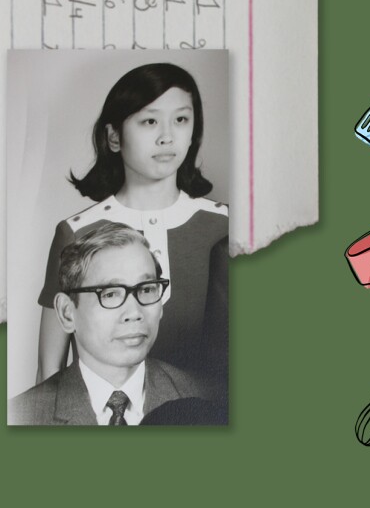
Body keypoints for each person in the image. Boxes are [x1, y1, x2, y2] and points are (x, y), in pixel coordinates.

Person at [37, 63, 228, 390]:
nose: (167, 136)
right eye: (150, 121)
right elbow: (49, 372)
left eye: (181, 119)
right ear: (114, 136)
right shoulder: (76, 231)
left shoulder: (225, 226)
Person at [10, 223, 216, 426]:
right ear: (67, 313)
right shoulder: (19, 417)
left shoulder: (211, 402)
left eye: (146, 289)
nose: (134, 313)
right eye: (109, 294)